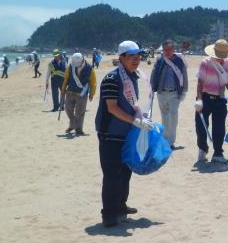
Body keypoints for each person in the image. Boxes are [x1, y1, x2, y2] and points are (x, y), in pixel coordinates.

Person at [95, 40, 153, 228]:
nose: (136, 60)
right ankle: (109, 214)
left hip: (127, 133)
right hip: (110, 133)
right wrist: (134, 120)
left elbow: (130, 104)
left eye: (138, 56)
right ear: (121, 58)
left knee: (125, 173)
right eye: (132, 56)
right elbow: (112, 108)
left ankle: (120, 206)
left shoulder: (132, 77)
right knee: (112, 174)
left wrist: (140, 117)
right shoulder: (112, 78)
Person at [194, 39, 228, 163]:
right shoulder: (206, 63)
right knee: (201, 126)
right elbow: (200, 82)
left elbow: (227, 80)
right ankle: (202, 149)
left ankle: (218, 153)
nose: (220, 58)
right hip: (205, 98)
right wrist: (199, 100)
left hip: (220, 98)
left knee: (219, 128)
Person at [151, 39, 188, 149]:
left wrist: (184, 90)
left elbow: (184, 75)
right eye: (165, 50)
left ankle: (170, 142)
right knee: (164, 116)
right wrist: (152, 88)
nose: (167, 52)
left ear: (173, 50)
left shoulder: (179, 60)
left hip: (174, 93)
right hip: (162, 92)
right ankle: (165, 139)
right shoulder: (159, 60)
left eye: (169, 49)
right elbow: (154, 74)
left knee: (173, 117)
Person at [62, 53, 97, 135]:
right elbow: (66, 78)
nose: (76, 64)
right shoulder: (70, 66)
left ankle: (79, 129)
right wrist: (63, 89)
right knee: (68, 109)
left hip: (82, 94)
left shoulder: (89, 68)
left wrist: (92, 93)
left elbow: (93, 82)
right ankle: (72, 124)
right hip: (70, 92)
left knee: (80, 112)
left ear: (82, 60)